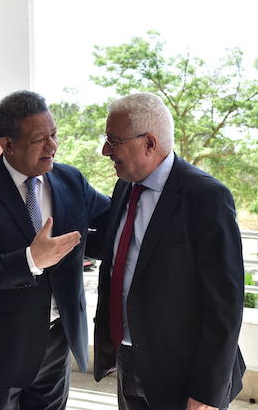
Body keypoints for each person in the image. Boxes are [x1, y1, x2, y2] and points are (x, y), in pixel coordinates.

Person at [0, 90, 110, 410]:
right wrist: (31, 260)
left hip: (56, 343)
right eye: (40, 139)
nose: (52, 146)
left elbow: (113, 225)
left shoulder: (72, 180)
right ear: (8, 144)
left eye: (54, 135)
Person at [92, 92, 246, 410]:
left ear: (149, 143)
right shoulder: (125, 186)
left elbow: (225, 305)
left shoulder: (206, 197)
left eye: (113, 141)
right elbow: (119, 251)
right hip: (128, 359)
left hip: (184, 374)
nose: (106, 150)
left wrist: (207, 392)